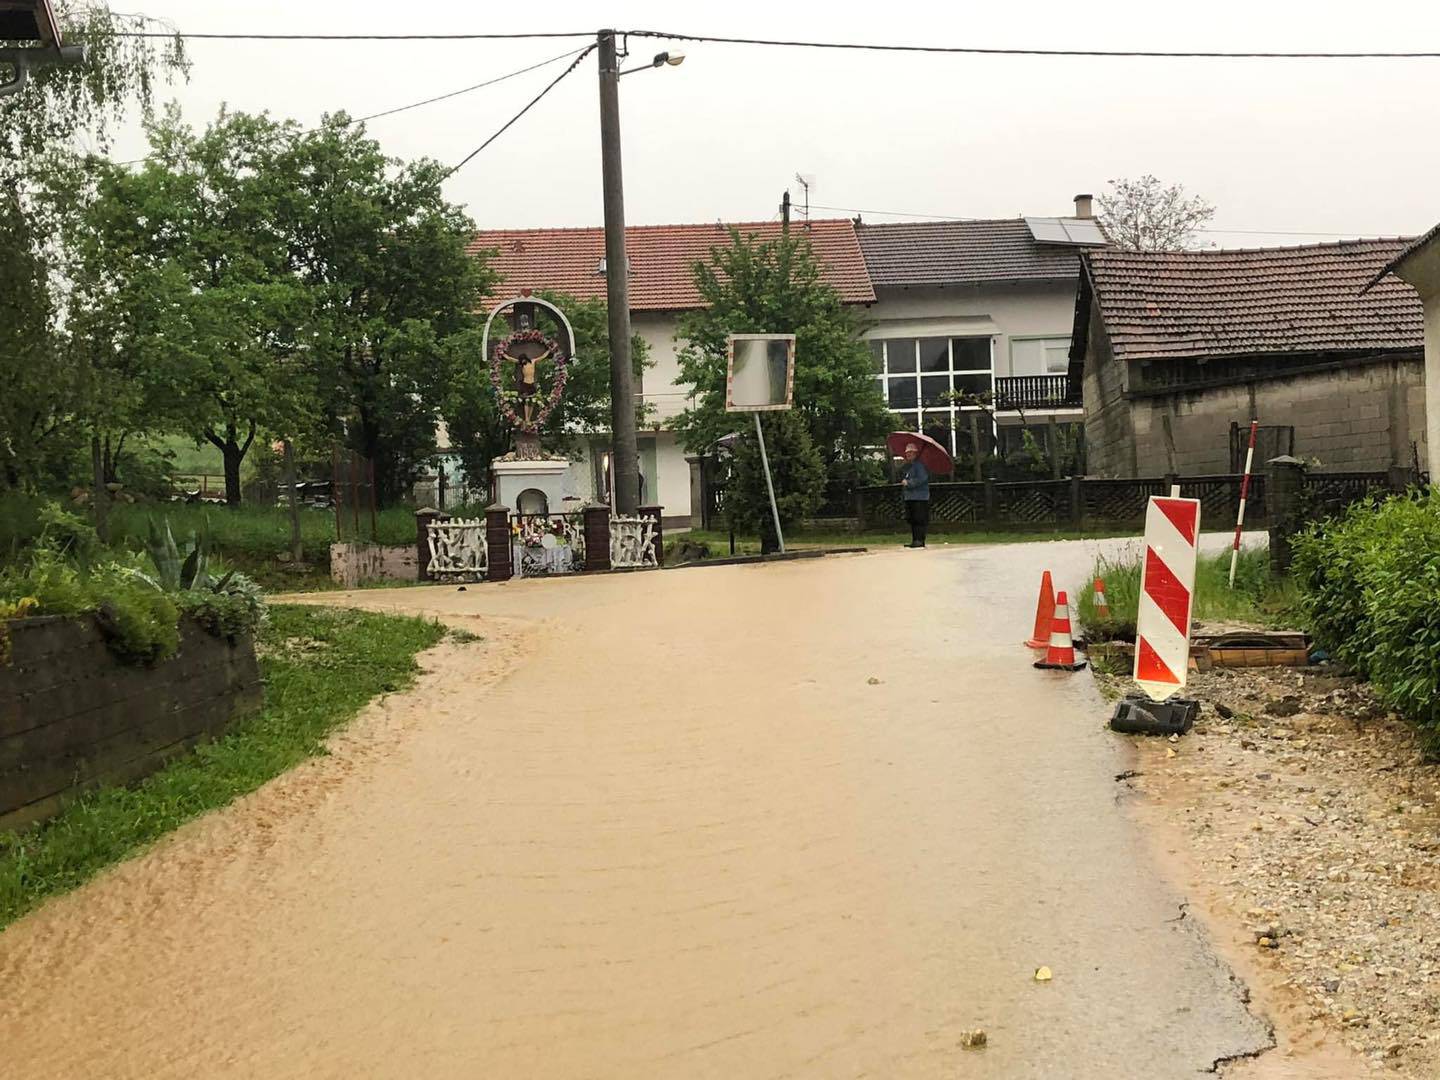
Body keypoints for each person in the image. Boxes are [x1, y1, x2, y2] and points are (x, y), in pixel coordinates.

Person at [900, 442, 930, 548]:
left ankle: (920, 540)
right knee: (912, 519)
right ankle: (915, 539)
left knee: (919, 518)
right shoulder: (909, 467)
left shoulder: (920, 466)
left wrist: (909, 483)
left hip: (920, 497)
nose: (908, 455)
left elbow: (922, 479)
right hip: (910, 497)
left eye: (911, 453)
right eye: (907, 453)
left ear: (915, 453)